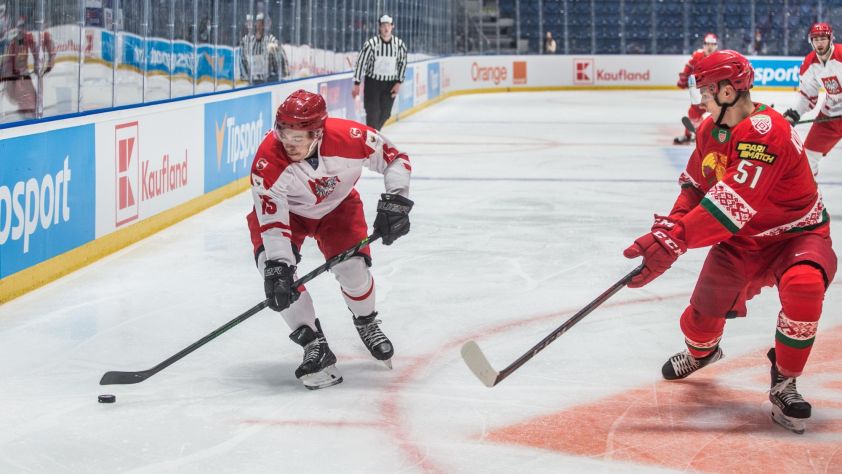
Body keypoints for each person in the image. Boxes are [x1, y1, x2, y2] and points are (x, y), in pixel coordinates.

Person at [623, 50, 836, 434]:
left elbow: (731, 207)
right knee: (700, 320)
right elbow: (695, 186)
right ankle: (702, 354)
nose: (700, 99)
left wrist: (675, 242)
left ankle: (785, 379)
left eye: (705, 91)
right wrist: (668, 228)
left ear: (726, 91)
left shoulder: (765, 131)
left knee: (804, 286)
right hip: (741, 243)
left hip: (797, 235)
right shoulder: (709, 131)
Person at [246, 89, 414, 390]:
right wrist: (279, 266)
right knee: (276, 279)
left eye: (299, 138)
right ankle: (314, 343)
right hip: (288, 215)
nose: (289, 144)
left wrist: (396, 200)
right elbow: (272, 222)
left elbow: (395, 158)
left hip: (336, 208)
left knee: (353, 271)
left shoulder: (348, 136)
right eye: (284, 134)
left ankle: (366, 321)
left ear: (318, 133)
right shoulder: (267, 162)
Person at [782, 22, 842, 176]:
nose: (819, 43)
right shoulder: (809, 64)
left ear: (830, 39)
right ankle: (810, 198)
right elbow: (807, 96)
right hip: (831, 117)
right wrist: (794, 114)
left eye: (823, 38)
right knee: (807, 160)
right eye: (816, 39)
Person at [351, 14, 408, 130]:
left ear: (393, 26)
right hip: (373, 84)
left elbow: (402, 63)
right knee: (373, 114)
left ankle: (372, 136)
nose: (386, 28)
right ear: (379, 27)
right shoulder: (371, 44)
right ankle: (371, 142)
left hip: (390, 84)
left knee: (386, 113)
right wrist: (356, 83)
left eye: (388, 25)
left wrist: (398, 82)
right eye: (383, 25)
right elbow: (360, 63)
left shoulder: (399, 45)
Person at [0, 17, 54, 120]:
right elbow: (9, 60)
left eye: (24, 27)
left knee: (31, 99)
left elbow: (35, 52)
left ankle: (31, 116)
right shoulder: (14, 41)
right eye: (20, 27)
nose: (22, 29)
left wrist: (38, 65)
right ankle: (27, 117)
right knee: (25, 99)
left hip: (23, 77)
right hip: (16, 78)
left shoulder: (27, 39)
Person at [674, 33, 719, 145]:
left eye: (712, 44)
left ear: (716, 46)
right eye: (707, 44)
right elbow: (688, 68)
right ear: (703, 45)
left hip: (714, 92)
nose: (709, 46)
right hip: (700, 91)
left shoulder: (719, 58)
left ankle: (702, 135)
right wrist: (684, 78)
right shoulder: (697, 56)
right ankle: (691, 134)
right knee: (694, 112)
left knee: (714, 115)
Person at [240, 12, 287, 84]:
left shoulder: (273, 42)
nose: (259, 26)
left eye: (262, 23)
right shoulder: (246, 41)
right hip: (253, 84)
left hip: (270, 83)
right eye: (257, 23)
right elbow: (243, 63)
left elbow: (283, 68)